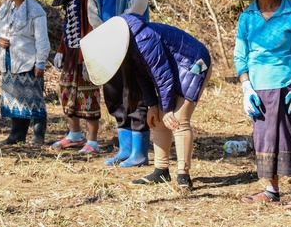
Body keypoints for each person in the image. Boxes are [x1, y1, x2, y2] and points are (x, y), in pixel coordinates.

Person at [80, 14, 211, 190]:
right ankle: (161, 171)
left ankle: (183, 175)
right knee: (156, 118)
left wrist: (168, 108)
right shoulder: (128, 46)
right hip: (173, 69)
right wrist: (152, 105)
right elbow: (143, 76)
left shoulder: (144, 39)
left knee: (178, 119)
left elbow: (162, 75)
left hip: (193, 62)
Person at [228, 0, 291, 207]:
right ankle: (271, 190)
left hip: (286, 84)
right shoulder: (247, 17)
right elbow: (240, 56)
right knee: (264, 137)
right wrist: (245, 87)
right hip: (259, 87)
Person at [87, 0, 152, 167]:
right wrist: (102, 31)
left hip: (132, 38)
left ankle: (140, 152)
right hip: (106, 41)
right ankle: (124, 149)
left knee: (135, 91)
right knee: (114, 92)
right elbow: (92, 6)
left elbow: (139, 3)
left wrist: (120, 28)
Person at [47, 0, 101, 154]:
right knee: (67, 90)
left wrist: (89, 56)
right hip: (70, 50)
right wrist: (61, 49)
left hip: (85, 51)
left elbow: (90, 24)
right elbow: (68, 22)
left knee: (88, 93)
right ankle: (74, 134)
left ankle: (92, 140)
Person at [0, 0, 50, 145]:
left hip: (28, 61)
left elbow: (42, 39)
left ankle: (38, 135)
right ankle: (16, 135)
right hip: (8, 60)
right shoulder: (5, 9)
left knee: (34, 99)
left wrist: (40, 62)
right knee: (15, 98)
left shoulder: (36, 11)